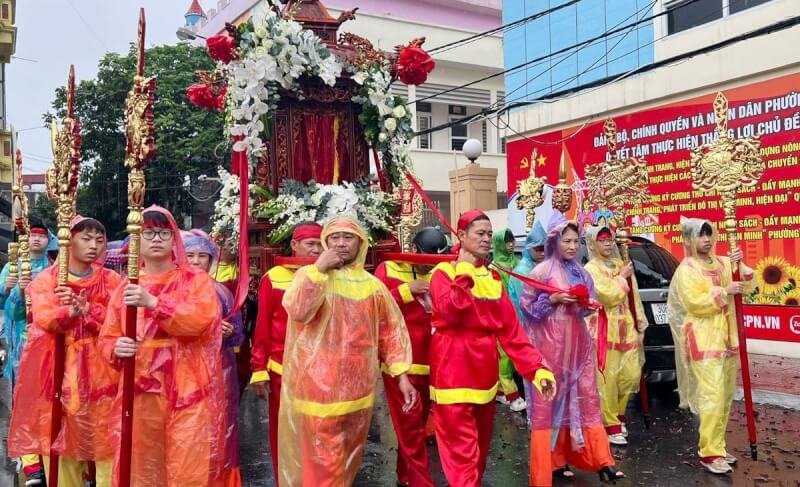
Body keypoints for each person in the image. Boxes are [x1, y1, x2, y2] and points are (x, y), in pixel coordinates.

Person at [278, 216, 416, 486]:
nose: (341, 243)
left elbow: (390, 332)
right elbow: (297, 310)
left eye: (348, 237)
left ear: (361, 243)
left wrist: (402, 375)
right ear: (325, 242)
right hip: (318, 393)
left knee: (346, 464)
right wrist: (319, 269)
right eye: (334, 238)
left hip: (359, 395)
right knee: (323, 468)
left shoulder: (373, 286)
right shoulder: (310, 275)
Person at [428, 209, 556, 487]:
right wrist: (463, 271)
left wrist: (537, 370)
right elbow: (451, 312)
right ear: (461, 236)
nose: (487, 239)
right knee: (463, 461)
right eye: (480, 234)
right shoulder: (442, 273)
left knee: (478, 458)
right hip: (452, 376)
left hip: (485, 380)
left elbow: (512, 333)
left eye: (489, 234)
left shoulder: (494, 279)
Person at [100, 206, 225, 486]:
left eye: (164, 232)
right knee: (142, 468)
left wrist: (155, 304)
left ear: (174, 239)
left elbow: (198, 322)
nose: (156, 238)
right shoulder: (125, 288)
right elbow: (107, 338)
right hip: (141, 392)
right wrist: (115, 348)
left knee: (188, 467)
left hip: (187, 390)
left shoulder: (195, 281)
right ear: (137, 241)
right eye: (148, 232)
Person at [8, 216, 121, 487]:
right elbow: (45, 318)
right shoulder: (46, 280)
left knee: (108, 447)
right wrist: (69, 312)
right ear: (69, 241)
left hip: (103, 374)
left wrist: (89, 312)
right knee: (62, 447)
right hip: (58, 374)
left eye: (99, 239)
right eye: (86, 238)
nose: (94, 245)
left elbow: (121, 320)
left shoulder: (112, 280)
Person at [520, 215, 624, 486]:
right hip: (549, 349)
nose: (571, 246)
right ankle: (547, 466)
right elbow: (527, 306)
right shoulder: (541, 271)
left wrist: (585, 304)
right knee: (549, 404)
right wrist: (552, 299)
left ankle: (602, 460)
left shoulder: (582, 272)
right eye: (566, 241)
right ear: (554, 242)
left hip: (578, 348)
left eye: (575, 241)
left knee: (586, 401)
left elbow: (587, 305)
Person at [667, 218, 753, 475]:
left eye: (709, 234)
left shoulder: (723, 263)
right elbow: (695, 303)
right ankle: (709, 452)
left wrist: (739, 263)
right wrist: (724, 291)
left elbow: (748, 281)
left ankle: (719, 445)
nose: (706, 239)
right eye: (700, 235)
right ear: (688, 240)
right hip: (704, 339)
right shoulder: (686, 269)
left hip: (727, 338)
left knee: (725, 396)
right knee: (712, 397)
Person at [374, 226, 449, 487]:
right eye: (429, 258)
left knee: (418, 423)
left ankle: (405, 476)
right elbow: (374, 308)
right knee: (410, 427)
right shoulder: (389, 269)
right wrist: (408, 290)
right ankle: (421, 481)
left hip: (433, 362)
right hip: (400, 364)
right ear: (415, 250)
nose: (432, 266)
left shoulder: (442, 270)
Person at [250, 222, 323, 480]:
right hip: (282, 370)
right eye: (310, 244)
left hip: (320, 372)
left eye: (319, 245)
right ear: (294, 245)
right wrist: (259, 369)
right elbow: (263, 327)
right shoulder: (275, 277)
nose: (315, 250)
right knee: (283, 433)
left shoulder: (329, 276)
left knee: (318, 434)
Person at [184, 229, 245, 487]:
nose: (197, 261)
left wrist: (230, 332)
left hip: (220, 370)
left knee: (219, 427)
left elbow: (239, 334)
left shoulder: (222, 293)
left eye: (202, 256)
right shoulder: (175, 289)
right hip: (186, 371)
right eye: (191, 256)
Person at [584, 226, 647, 446]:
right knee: (607, 380)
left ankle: (619, 416)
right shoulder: (590, 269)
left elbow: (634, 296)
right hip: (603, 328)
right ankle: (610, 424)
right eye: (602, 241)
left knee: (630, 375)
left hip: (626, 327)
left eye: (609, 240)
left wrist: (640, 323)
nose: (608, 244)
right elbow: (608, 296)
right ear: (593, 244)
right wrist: (621, 278)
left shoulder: (622, 264)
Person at [508, 218, 547, 425]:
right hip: (528, 330)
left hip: (544, 332)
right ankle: (535, 417)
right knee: (533, 375)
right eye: (538, 248)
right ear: (530, 248)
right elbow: (528, 307)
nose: (542, 252)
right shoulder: (523, 271)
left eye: (545, 248)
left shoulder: (543, 268)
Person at [491, 227, 527, 413]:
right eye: (507, 241)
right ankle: (512, 394)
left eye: (512, 240)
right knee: (504, 356)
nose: (511, 244)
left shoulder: (519, 263)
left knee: (515, 355)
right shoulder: (493, 268)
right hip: (502, 317)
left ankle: (499, 391)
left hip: (520, 316)